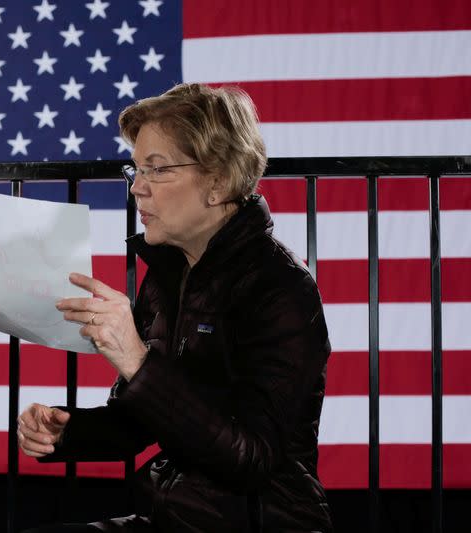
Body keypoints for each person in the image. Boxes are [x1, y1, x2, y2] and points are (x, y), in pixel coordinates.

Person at [18, 83, 333, 532]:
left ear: (218, 182)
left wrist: (135, 359)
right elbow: (141, 421)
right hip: (174, 517)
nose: (137, 190)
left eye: (157, 170)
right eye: (136, 170)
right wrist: (66, 432)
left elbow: (250, 459)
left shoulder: (281, 288)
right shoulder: (169, 272)